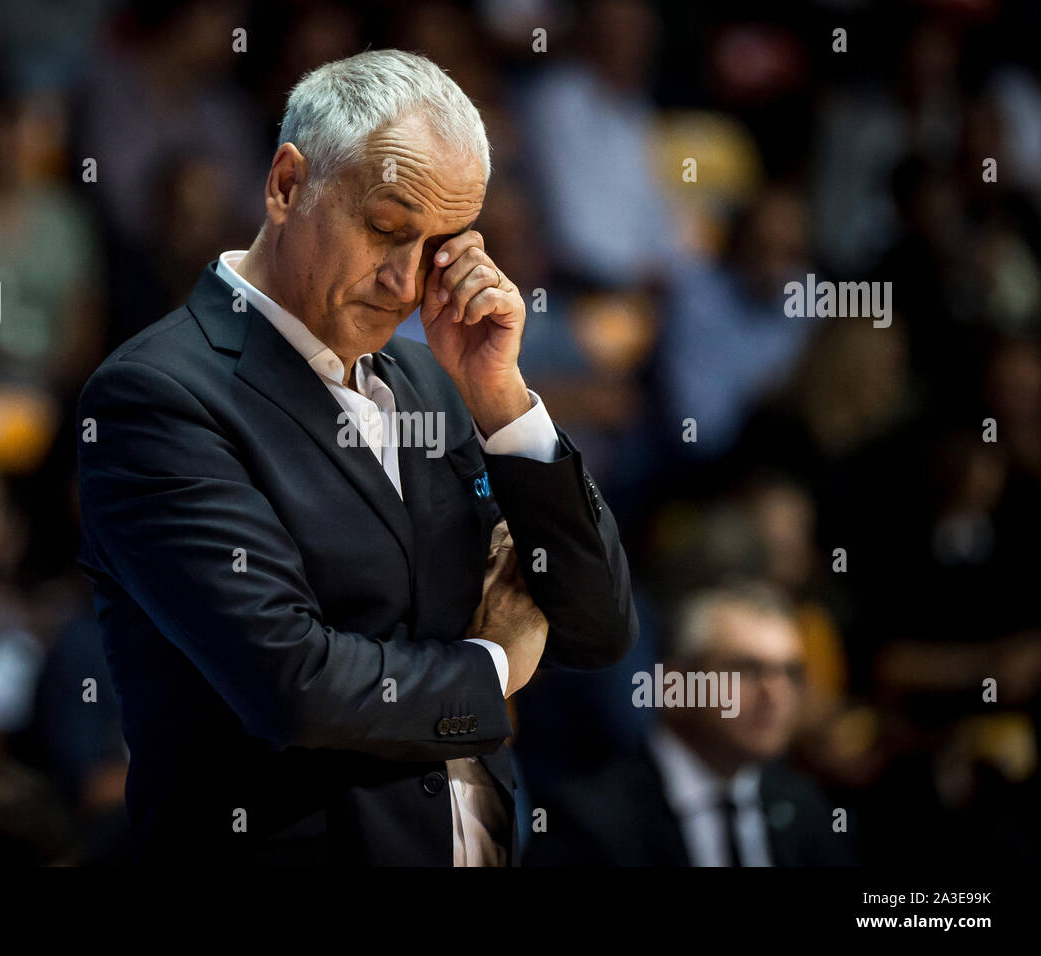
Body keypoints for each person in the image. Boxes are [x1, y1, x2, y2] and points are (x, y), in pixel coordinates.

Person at [76, 50, 637, 867]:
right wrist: (493, 663)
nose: (407, 280)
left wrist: (503, 400)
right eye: (386, 227)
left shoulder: (435, 383)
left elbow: (596, 628)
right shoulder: (156, 395)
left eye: (441, 244)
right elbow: (293, 686)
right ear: (286, 184)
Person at [525, 581, 854, 866]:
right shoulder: (587, 824)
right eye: (746, 669)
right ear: (674, 687)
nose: (776, 693)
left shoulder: (806, 810)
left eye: (790, 672)